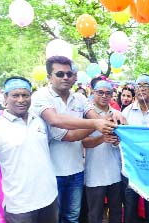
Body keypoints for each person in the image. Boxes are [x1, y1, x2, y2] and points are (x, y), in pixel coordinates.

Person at [30, 56, 117, 223]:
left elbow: (95, 116)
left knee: (72, 218)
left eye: (69, 74)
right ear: (49, 77)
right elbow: (60, 126)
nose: (65, 78)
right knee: (52, 218)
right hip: (51, 172)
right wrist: (97, 123)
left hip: (76, 170)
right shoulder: (41, 96)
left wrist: (109, 116)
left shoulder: (80, 98)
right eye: (60, 74)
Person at [0, 77, 59, 223]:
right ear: (6, 98)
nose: (21, 100)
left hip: (50, 198)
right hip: (20, 206)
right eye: (15, 95)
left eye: (25, 95)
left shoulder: (39, 120)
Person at [122, 74, 149, 223]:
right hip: (132, 171)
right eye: (138, 85)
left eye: (145, 86)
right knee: (129, 209)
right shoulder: (126, 112)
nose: (141, 89)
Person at [82, 79, 122, 223]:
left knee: (116, 212)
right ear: (93, 93)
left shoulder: (117, 114)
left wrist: (119, 141)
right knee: (95, 214)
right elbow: (82, 142)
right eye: (100, 92)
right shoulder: (86, 115)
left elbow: (126, 140)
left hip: (115, 171)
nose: (104, 96)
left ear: (112, 95)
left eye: (108, 93)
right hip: (94, 172)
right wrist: (101, 139)